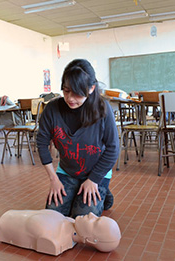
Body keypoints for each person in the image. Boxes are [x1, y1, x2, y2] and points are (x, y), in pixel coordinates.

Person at [36, 59, 119, 218]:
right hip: (68, 171)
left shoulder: (102, 109)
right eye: (66, 91)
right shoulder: (52, 109)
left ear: (91, 88)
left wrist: (94, 180)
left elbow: (113, 148)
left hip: (96, 172)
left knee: (81, 217)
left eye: (77, 92)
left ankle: (103, 192)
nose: (70, 98)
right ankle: (81, 190)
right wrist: (54, 179)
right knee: (53, 214)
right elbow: (41, 143)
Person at [0, 209, 121, 256]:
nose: (91, 214)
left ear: (90, 239)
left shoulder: (54, 240)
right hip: (7, 218)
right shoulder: (68, 221)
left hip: (4, 223)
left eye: (95, 222)